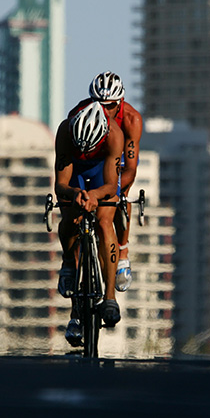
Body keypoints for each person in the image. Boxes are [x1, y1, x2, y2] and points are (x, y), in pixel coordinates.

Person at [54, 101, 124, 346]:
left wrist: (94, 195)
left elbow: (110, 184)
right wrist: (75, 194)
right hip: (74, 174)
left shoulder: (115, 135)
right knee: (70, 218)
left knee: (105, 223)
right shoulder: (65, 132)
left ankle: (110, 296)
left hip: (100, 172)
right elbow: (60, 184)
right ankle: (69, 268)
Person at [67, 72, 143, 293]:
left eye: (109, 105)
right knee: (72, 211)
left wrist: (113, 192)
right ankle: (71, 264)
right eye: (98, 103)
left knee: (120, 200)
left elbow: (130, 169)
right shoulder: (78, 114)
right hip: (90, 161)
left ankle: (123, 253)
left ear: (119, 102)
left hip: (117, 161)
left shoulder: (131, 119)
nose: (103, 110)